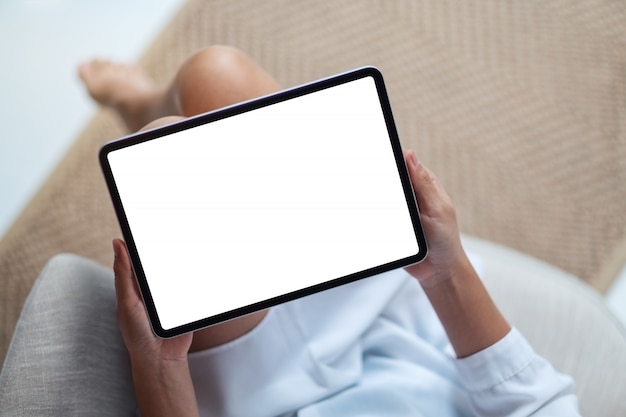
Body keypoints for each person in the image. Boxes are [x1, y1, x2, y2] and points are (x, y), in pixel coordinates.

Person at [0, 46, 580, 416]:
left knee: (167, 146)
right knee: (215, 72)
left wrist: (159, 366)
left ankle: (143, 110)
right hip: (389, 331)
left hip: (255, 386)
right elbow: (536, 403)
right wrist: (444, 267)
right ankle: (139, 98)